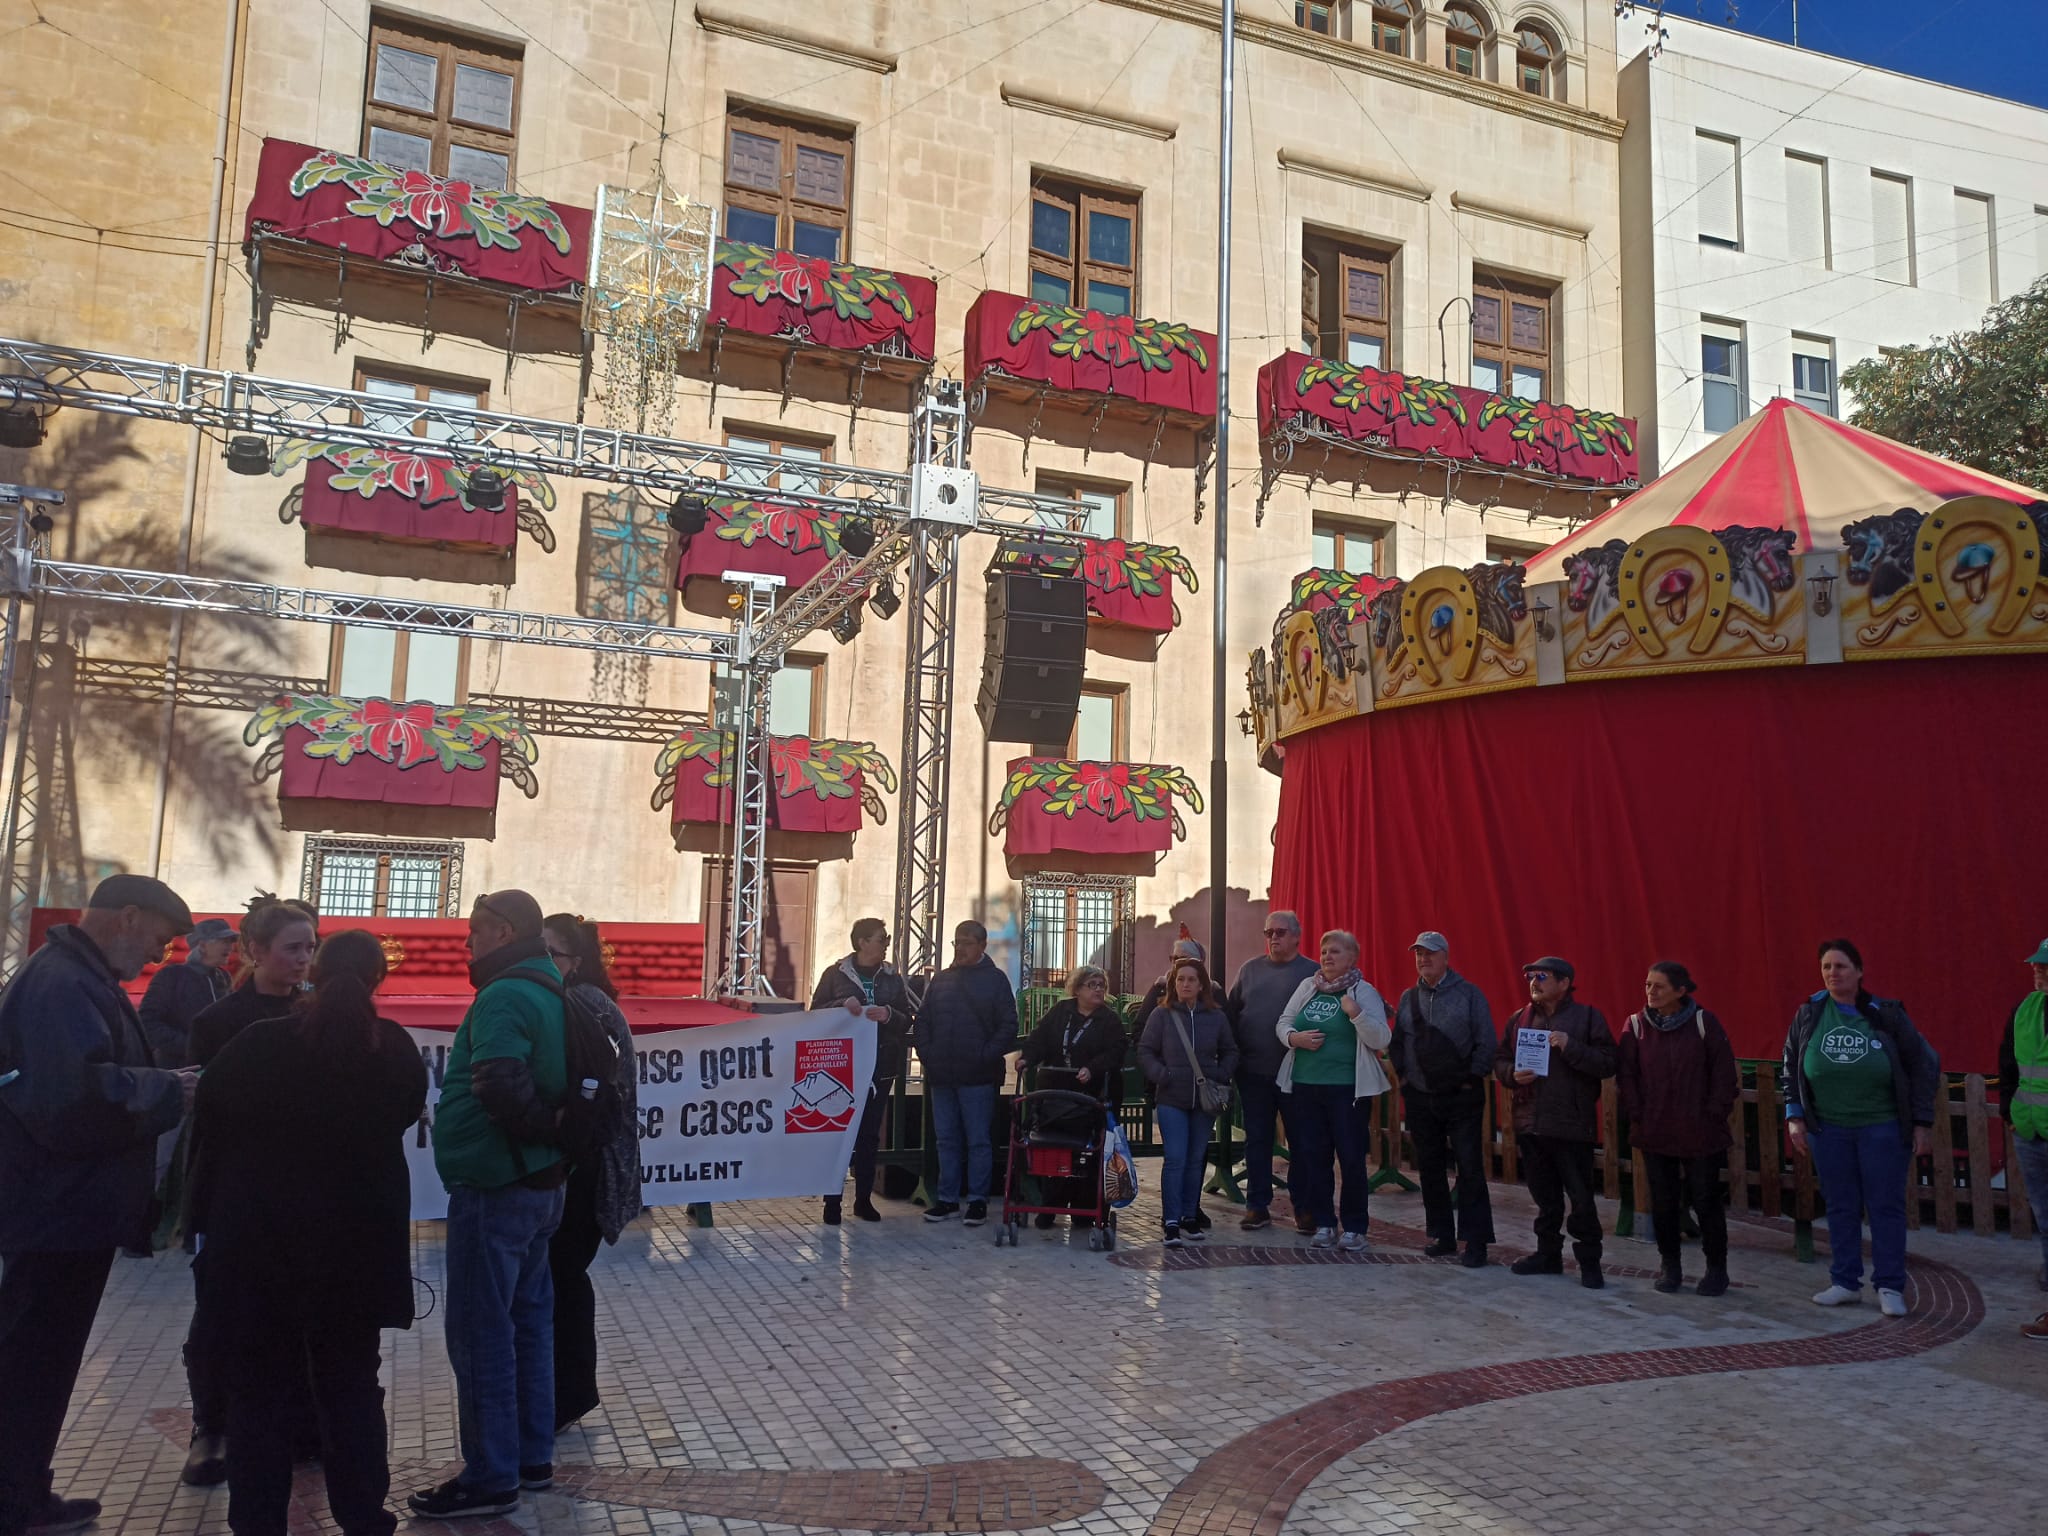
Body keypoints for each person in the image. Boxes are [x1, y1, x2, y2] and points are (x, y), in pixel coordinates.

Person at [187, 930, 426, 1536]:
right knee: (351, 1384)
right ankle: (363, 1515)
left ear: (314, 973)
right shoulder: (393, 1049)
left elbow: (209, 1117)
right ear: (378, 980)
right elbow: (401, 1115)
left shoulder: (260, 1044)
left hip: (262, 1244)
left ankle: (257, 1519)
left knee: (259, 1387)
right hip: (355, 1248)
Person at [0, 874, 198, 1536]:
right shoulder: (63, 984)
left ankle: (24, 1489)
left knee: (41, 1360)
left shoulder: (77, 978)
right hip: (56, 1210)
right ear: (128, 918)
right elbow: (70, 1099)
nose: (153, 959)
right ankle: (13, 1501)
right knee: (32, 1361)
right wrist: (167, 1089)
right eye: (158, 943)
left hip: (65, 1211)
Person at [409, 891, 570, 1520]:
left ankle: (489, 1476)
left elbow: (502, 1083)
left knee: (481, 1333)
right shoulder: (552, 986)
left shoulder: (505, 993)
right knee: (529, 1323)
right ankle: (531, 1459)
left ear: (503, 932)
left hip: (497, 1183)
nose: (466, 943)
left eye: (475, 931)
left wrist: (534, 1139)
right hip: (540, 1185)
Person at [181, 894, 321, 1487]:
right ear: (254, 951)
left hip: (306, 1196)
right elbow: (204, 1116)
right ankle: (211, 1426)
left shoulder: (319, 1016)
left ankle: (301, 1424)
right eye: (293, 948)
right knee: (218, 1317)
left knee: (299, 1314)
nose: (305, 960)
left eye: (311, 948)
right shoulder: (216, 1024)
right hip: (234, 1191)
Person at [1783, 938, 1940, 1317]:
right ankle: (1845, 1281)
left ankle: (1889, 1286)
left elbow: (1924, 1064)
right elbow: (1791, 1061)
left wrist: (1921, 1122)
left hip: (1881, 1127)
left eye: (1840, 966)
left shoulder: (1884, 1013)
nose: (1832, 973)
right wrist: (1794, 1114)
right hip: (1828, 1129)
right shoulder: (1810, 1013)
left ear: (1859, 972)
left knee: (1885, 1206)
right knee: (1840, 1205)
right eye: (1826, 967)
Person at [541, 914, 638, 1432]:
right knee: (563, 1278)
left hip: (587, 1163)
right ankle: (568, 1392)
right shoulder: (584, 1003)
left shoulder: (582, 1008)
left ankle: (566, 1394)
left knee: (561, 1278)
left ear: (576, 962)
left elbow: (594, 1096)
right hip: (589, 1160)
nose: (542, 962)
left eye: (552, 953)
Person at [1494, 958, 1616, 1289]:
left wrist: (1571, 1045)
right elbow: (1501, 1060)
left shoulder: (1587, 1017)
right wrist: (1511, 1075)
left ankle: (1589, 1262)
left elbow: (1608, 1063)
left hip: (1572, 1124)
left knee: (1581, 1198)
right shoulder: (1519, 1018)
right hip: (1532, 1122)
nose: (1533, 982)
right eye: (1530, 976)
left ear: (1564, 983)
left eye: (1542, 976)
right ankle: (1547, 1255)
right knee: (1544, 1198)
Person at [1274, 930, 1390, 1253]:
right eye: (1324, 951)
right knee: (1314, 1156)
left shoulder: (1362, 992)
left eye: (1335, 952)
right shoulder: (1308, 987)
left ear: (1352, 958)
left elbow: (1381, 1039)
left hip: (1346, 1091)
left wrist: (1356, 1014)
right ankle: (1325, 1223)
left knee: (1351, 1158)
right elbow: (1283, 1021)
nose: (1327, 957)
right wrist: (1293, 1039)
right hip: (1306, 1087)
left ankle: (1355, 1227)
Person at [1390, 931, 1496, 1268]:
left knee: (1470, 1168)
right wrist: (1405, 1080)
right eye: (1419, 954)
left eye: (1430, 953)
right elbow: (1396, 1044)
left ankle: (1476, 1241)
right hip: (1421, 1099)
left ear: (1446, 957)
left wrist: (1469, 1080)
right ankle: (1442, 1235)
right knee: (1430, 1169)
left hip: (1462, 1098)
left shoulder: (1469, 995)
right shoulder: (1408, 998)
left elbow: (1486, 1042)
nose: (1424, 959)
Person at [808, 918, 913, 1225]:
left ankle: (863, 1200)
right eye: (881, 938)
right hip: (843, 1068)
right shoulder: (835, 974)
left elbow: (907, 1017)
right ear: (862, 942)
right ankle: (832, 1202)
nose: (886, 944)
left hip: (881, 1065)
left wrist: (889, 1014)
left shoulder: (893, 978)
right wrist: (843, 1003)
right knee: (840, 1133)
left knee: (869, 1136)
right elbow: (815, 1013)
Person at [914, 920, 1017, 1229]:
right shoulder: (942, 980)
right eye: (957, 942)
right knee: (946, 1139)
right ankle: (947, 1200)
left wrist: (985, 1055)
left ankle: (977, 1201)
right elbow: (923, 1021)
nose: (960, 948)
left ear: (982, 946)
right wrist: (928, 1055)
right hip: (942, 1074)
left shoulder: (996, 981)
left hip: (978, 1076)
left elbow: (1009, 1025)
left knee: (978, 1141)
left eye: (967, 942)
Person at [1226, 911, 1318, 1232]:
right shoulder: (1249, 970)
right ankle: (1257, 1205)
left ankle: (1304, 1208)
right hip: (1255, 1073)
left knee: (1301, 1142)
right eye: (1268, 933)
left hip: (1298, 1074)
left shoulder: (1313, 973)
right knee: (1258, 1140)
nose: (1274, 938)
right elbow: (1232, 1014)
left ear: (1296, 936)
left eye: (1280, 932)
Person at [1137, 958, 1238, 1249]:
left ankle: (1189, 1215)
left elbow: (1231, 1051)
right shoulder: (1161, 1015)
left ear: (1201, 984)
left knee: (1196, 1160)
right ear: (1173, 983)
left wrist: (1219, 1074)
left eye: (1191, 980)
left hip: (1204, 1101)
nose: (1185, 984)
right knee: (1176, 1158)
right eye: (1180, 979)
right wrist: (1162, 1075)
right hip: (1171, 1098)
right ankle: (1170, 1221)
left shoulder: (1216, 1017)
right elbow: (1145, 1051)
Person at [1017, 964, 1127, 1227]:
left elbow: (1116, 1051)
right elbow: (1039, 1038)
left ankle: (1084, 1209)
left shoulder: (1109, 1020)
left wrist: (1093, 1068)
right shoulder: (1061, 1012)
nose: (1099, 989)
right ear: (1077, 989)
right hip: (1056, 1094)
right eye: (1092, 985)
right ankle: (1050, 1206)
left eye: (1102, 985)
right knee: (1054, 1148)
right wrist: (1026, 1058)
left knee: (1088, 1153)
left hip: (1091, 1096)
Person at [2001, 939, 2048, 1338]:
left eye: (2046, 966)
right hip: (2031, 1133)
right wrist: (2009, 1115)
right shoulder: (2024, 1009)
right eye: (2036, 964)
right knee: (2046, 1223)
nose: (2037, 971)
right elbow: (2007, 1062)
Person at [139, 917, 237, 1068]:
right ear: (203, 945)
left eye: (231, 942)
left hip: (216, 1068)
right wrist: (190, 1046)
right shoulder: (172, 976)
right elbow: (148, 1022)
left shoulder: (223, 977)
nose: (230, 947)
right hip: (179, 1071)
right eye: (224, 941)